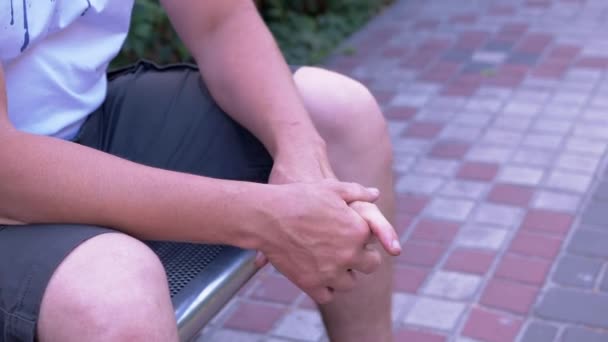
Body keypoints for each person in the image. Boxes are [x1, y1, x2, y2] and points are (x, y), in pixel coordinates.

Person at [0, 1, 399, 341]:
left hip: (87, 122)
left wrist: (305, 167)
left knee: (338, 113)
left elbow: (220, 21)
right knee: (113, 294)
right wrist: (264, 216)